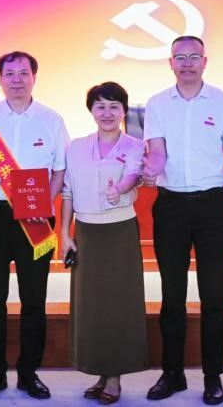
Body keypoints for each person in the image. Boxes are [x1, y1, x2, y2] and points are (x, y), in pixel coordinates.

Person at [141, 35, 223, 405]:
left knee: (213, 296)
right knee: (172, 296)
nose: (187, 63)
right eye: (180, 57)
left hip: (213, 206)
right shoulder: (157, 103)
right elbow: (157, 152)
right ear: (170, 63)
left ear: (205, 61)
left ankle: (212, 377)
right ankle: (172, 373)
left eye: (194, 57)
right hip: (171, 206)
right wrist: (150, 169)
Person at [0, 51, 70, 401]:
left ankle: (28, 373)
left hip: (36, 219)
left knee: (34, 299)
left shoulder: (52, 120)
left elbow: (60, 171)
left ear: (34, 77)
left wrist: (45, 204)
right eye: (10, 74)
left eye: (24, 73)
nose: (17, 80)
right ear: (1, 78)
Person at [60, 81, 149, 405]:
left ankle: (114, 376)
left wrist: (119, 189)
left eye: (114, 106)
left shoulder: (135, 145)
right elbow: (68, 192)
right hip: (86, 233)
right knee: (92, 305)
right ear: (91, 111)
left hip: (119, 232)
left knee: (119, 304)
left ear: (124, 111)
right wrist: (64, 233)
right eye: (100, 106)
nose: (107, 113)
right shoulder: (76, 147)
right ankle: (100, 370)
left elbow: (134, 175)